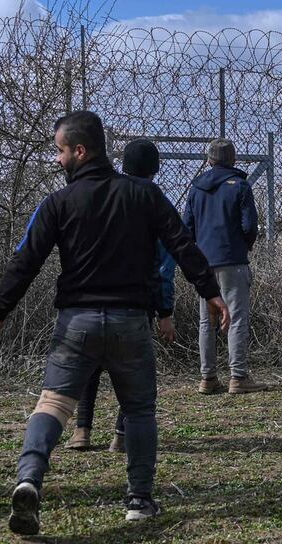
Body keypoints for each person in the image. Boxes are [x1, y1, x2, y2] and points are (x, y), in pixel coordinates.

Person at [0, 111, 229, 536]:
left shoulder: (58, 204)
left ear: (80, 150)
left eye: (60, 151)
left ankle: (29, 480)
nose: (57, 160)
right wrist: (210, 291)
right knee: (139, 409)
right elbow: (181, 243)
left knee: (53, 405)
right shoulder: (144, 195)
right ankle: (139, 500)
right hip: (132, 320)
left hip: (76, 323)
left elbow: (26, 261)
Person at [65, 138, 177, 453]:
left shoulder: (102, 195)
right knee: (133, 373)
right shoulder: (155, 202)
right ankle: (121, 435)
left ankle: (82, 430)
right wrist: (165, 311)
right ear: (155, 169)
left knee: (89, 365)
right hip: (134, 304)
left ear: (121, 165)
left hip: (88, 299)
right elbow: (164, 268)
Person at [184, 139, 267, 394]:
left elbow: (187, 227)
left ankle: (207, 378)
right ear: (233, 160)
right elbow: (249, 225)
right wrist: (244, 245)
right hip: (233, 260)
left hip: (204, 262)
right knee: (237, 317)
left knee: (206, 320)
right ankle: (238, 376)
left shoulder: (196, 189)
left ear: (209, 160)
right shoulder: (240, 186)